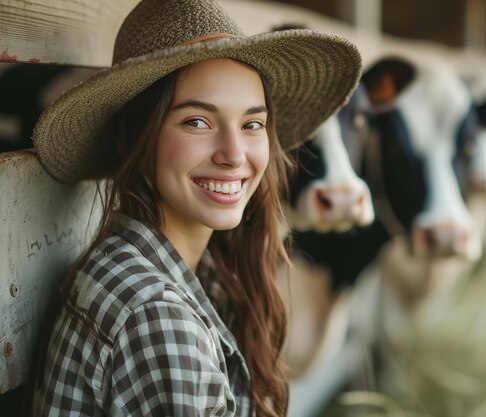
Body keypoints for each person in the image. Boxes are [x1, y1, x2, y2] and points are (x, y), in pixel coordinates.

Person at [29, 0, 362, 416]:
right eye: (197, 122)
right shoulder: (157, 317)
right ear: (135, 138)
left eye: (251, 124)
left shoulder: (171, 269)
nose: (233, 154)